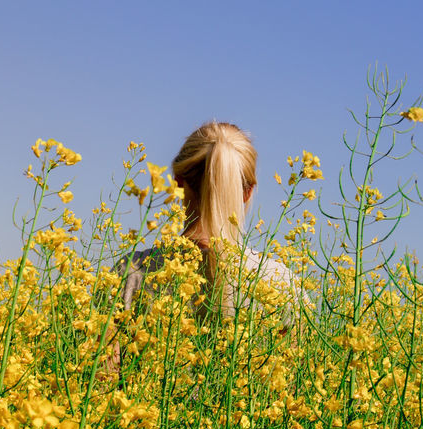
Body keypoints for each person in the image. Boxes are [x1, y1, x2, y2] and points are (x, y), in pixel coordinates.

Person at [120, 120, 298, 327]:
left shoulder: (129, 272)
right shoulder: (280, 283)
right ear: (247, 193)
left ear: (178, 182)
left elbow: (105, 357)